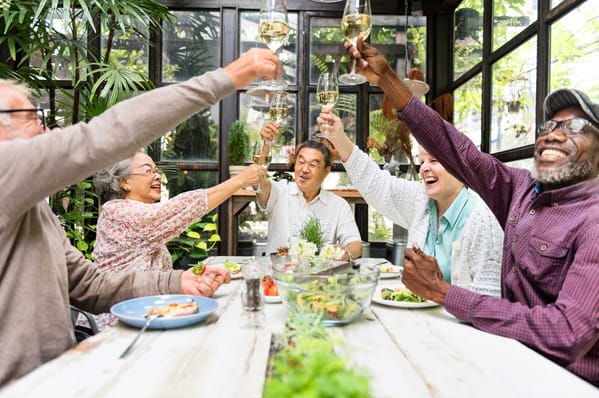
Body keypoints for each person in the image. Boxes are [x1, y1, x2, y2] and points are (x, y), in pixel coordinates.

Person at [0, 47, 279, 386]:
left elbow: (91, 285)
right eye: (32, 117)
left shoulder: (35, 210)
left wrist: (178, 282)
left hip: (59, 376)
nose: (46, 131)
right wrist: (227, 78)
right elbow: (106, 136)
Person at [340, 37, 599, 385]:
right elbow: (455, 147)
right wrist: (387, 79)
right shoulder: (522, 189)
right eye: (549, 126)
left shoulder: (593, 219)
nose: (553, 134)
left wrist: (442, 292)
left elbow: (566, 333)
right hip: (507, 356)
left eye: (577, 127)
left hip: (564, 383)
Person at [313, 109, 503, 297]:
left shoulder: (483, 219)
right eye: (422, 162)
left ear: (461, 166)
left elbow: (488, 304)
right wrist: (338, 137)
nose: (425, 168)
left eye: (434, 160)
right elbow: (376, 183)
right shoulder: (422, 199)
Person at [90, 151, 264, 329]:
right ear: (124, 182)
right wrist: (240, 180)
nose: (157, 176)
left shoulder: (135, 213)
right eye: (148, 171)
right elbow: (183, 208)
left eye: (157, 171)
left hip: (146, 316)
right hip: (116, 326)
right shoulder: (118, 213)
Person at [256, 124, 362, 260]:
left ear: (327, 170)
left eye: (313, 165)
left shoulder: (338, 205)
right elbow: (258, 178)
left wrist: (345, 253)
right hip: (279, 275)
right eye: (301, 162)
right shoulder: (279, 192)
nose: (304, 169)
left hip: (319, 277)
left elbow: (355, 245)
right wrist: (266, 144)